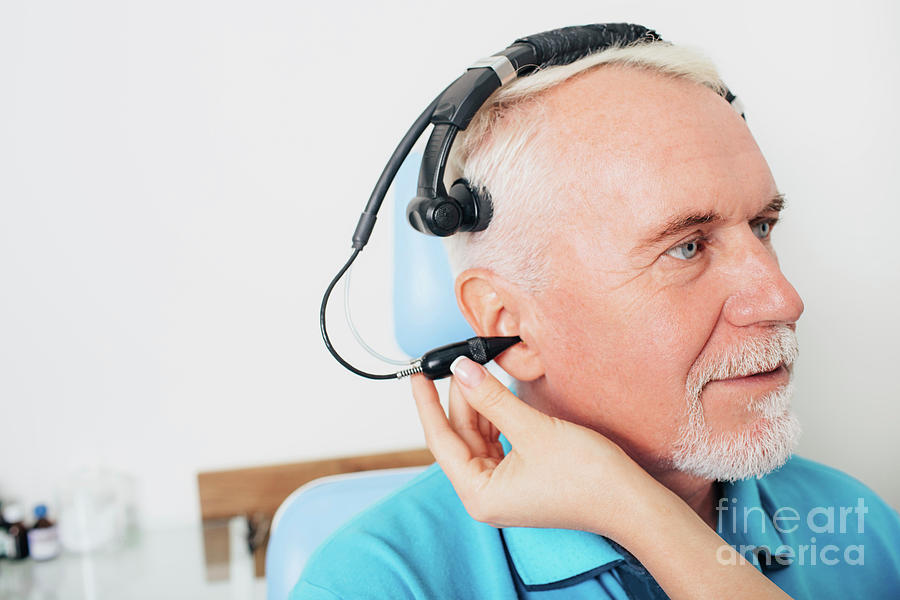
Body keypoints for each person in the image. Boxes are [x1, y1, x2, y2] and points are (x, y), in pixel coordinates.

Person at [294, 31, 900, 599]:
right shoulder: (379, 582)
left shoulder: (858, 525)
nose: (782, 300)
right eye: (686, 246)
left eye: (762, 226)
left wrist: (638, 513)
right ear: (508, 322)